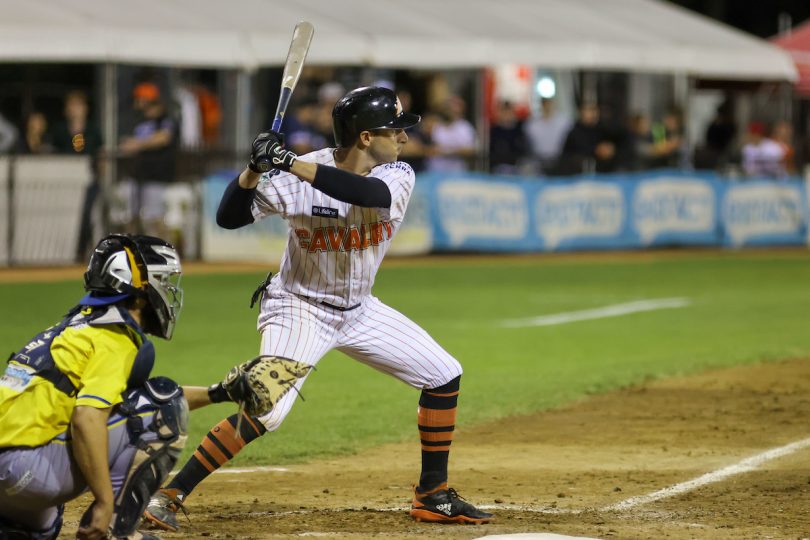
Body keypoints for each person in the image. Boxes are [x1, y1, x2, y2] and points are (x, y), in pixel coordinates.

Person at [144, 86, 493, 529]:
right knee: (267, 407)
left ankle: (433, 495)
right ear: (366, 137)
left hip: (359, 310)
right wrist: (253, 169)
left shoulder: (396, 174)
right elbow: (229, 217)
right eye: (395, 130)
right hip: (298, 307)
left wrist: (288, 161)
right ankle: (168, 495)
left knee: (443, 373)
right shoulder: (297, 179)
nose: (404, 138)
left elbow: (366, 196)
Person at [0, 234, 248, 540]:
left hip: (12, 474)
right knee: (164, 405)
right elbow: (88, 418)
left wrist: (219, 392)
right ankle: (119, 528)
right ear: (138, 290)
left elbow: (126, 401)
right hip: (29, 473)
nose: (167, 290)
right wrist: (104, 502)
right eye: (162, 280)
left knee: (42, 528)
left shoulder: (77, 325)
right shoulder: (113, 336)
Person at [118, 82, 178, 239]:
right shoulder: (137, 120)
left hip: (156, 176)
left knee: (154, 218)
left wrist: (137, 144)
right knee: (130, 217)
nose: (138, 103)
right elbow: (126, 143)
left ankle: (167, 249)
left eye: (142, 100)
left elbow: (164, 138)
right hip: (136, 175)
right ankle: (132, 249)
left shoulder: (164, 119)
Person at [51, 90, 104, 261]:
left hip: (87, 179)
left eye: (78, 105)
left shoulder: (93, 129)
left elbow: (100, 154)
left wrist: (100, 175)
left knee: (86, 215)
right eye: (71, 106)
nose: (75, 110)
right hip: (66, 181)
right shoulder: (60, 130)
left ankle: (83, 250)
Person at [425, 94, 477, 172]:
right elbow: (429, 147)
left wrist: (447, 151)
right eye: (448, 106)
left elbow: (471, 150)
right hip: (435, 170)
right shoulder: (436, 125)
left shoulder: (465, 127)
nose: (449, 109)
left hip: (456, 172)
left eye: (453, 106)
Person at [523, 97, 571, 174]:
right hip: (538, 162)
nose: (547, 107)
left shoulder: (564, 122)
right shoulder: (531, 124)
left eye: (549, 104)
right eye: (544, 104)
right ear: (541, 106)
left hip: (559, 161)